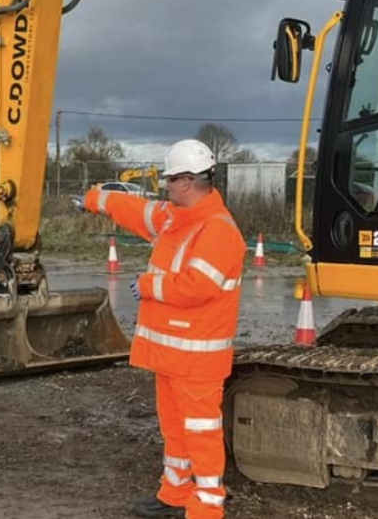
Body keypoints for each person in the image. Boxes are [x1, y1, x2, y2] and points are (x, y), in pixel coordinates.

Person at [83, 140, 245, 519]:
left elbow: (198, 285)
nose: (165, 187)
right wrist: (95, 199)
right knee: (175, 429)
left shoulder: (218, 229)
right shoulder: (177, 217)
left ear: (188, 181)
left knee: (201, 432)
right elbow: (136, 210)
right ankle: (175, 492)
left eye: (170, 180)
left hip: (198, 358)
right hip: (174, 356)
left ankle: (207, 506)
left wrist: (150, 285)